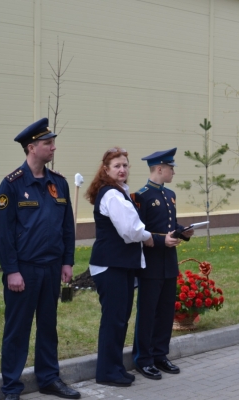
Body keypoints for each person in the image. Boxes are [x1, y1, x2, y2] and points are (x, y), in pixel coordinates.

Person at [0, 118, 80, 400]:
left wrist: (67, 261)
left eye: (52, 142)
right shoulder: (12, 185)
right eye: (48, 143)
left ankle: (48, 378)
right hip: (24, 271)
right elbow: (4, 235)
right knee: (17, 330)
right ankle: (11, 387)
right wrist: (11, 271)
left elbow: (68, 226)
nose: (53, 147)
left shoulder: (59, 183)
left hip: (52, 267)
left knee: (48, 326)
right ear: (32, 148)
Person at [85, 148, 154, 387]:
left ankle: (115, 367)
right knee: (113, 320)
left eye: (125, 165)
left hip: (120, 265)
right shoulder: (111, 195)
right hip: (109, 265)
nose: (122, 169)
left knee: (121, 318)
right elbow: (129, 230)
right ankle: (106, 372)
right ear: (106, 169)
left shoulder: (119, 192)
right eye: (117, 166)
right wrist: (147, 235)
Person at [132, 148, 193, 380]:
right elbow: (138, 232)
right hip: (151, 262)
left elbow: (170, 223)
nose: (173, 171)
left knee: (166, 311)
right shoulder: (141, 196)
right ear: (159, 168)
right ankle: (143, 358)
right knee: (148, 312)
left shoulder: (170, 195)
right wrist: (160, 241)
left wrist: (184, 232)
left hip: (169, 263)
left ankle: (160, 354)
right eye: (171, 168)